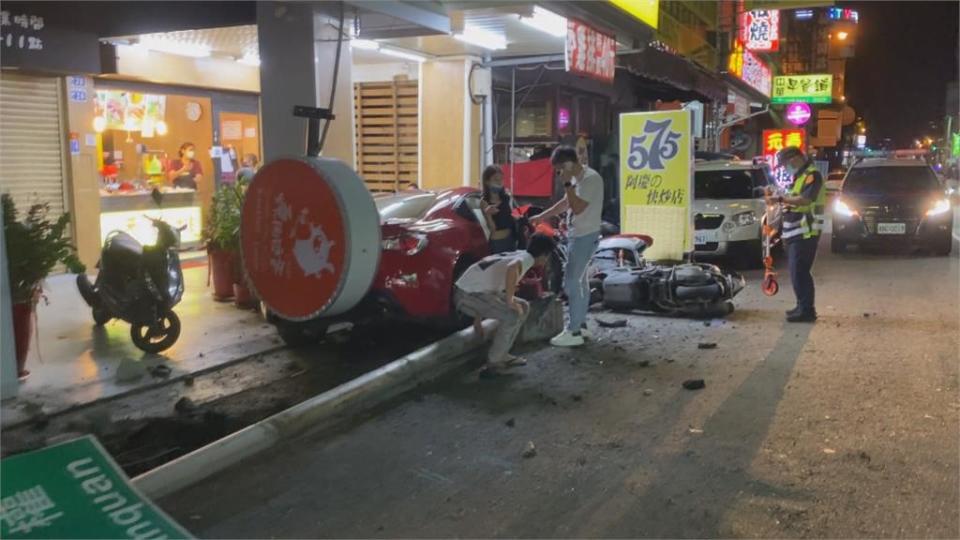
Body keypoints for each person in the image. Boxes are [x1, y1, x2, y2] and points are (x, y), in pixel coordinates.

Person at [531, 145, 605, 347]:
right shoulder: (577, 179)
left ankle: (573, 332)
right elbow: (566, 203)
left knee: (571, 283)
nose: (559, 173)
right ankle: (580, 326)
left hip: (584, 236)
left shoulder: (590, 179)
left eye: (560, 169)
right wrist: (541, 216)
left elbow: (578, 208)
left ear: (569, 164)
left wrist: (567, 185)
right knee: (579, 282)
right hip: (578, 235)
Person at [454, 233, 556, 376]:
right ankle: (494, 361)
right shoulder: (526, 260)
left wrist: (477, 318)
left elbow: (487, 282)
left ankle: (503, 353)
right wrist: (509, 300)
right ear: (544, 255)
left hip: (473, 291)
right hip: (467, 295)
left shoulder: (522, 254)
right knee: (511, 315)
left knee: (524, 306)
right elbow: (512, 268)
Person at [767, 146, 826, 323]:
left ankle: (807, 310)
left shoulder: (812, 175)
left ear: (794, 159)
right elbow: (794, 199)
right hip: (795, 231)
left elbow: (806, 200)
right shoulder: (800, 176)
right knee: (796, 271)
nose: (784, 168)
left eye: (784, 164)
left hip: (806, 231)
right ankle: (802, 306)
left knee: (800, 271)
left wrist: (780, 199)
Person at [480, 165, 518, 253]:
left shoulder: (506, 197)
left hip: (511, 239)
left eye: (501, 179)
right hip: (497, 243)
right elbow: (492, 229)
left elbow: (513, 214)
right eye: (496, 179)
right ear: (487, 181)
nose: (499, 182)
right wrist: (488, 214)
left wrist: (517, 216)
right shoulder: (484, 202)